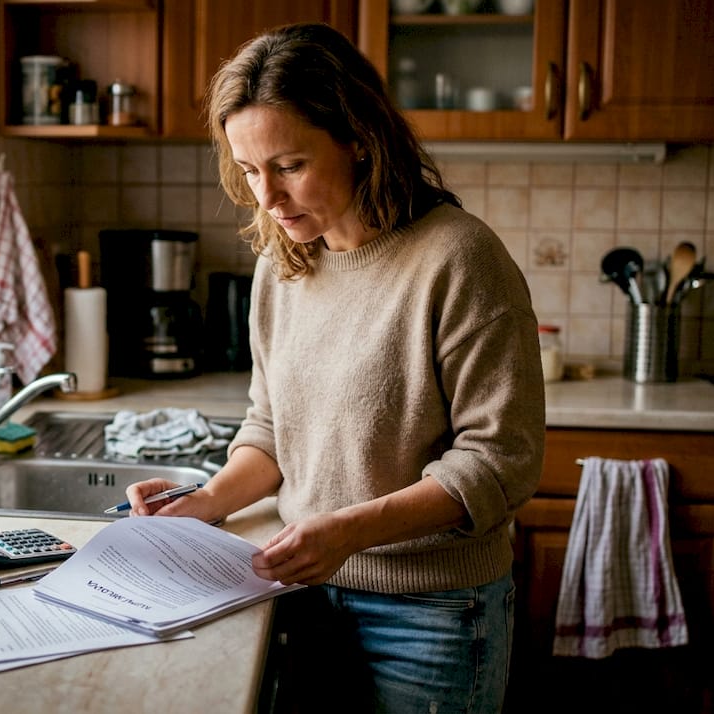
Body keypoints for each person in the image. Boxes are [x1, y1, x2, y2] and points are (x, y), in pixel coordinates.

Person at [120, 22, 545, 714]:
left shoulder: (459, 259)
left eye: (288, 166)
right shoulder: (282, 262)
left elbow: (500, 462)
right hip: (302, 592)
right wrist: (208, 500)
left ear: (359, 139)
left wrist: (348, 530)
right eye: (249, 170)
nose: (266, 196)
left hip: (431, 613)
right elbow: (271, 427)